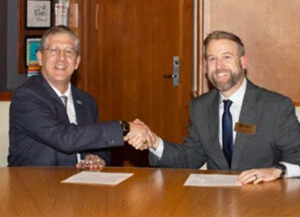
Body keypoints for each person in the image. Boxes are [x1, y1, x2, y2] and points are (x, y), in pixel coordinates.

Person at [127, 30, 300, 184]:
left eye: (226, 57)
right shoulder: (199, 107)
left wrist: (278, 171)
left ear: (243, 62)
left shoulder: (276, 106)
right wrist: (155, 142)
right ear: (205, 66)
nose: (219, 67)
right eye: (212, 59)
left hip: (266, 200)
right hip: (215, 201)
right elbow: (190, 159)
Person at [8, 25, 154, 168]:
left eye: (69, 52)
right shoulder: (27, 96)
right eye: (54, 51)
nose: (61, 58)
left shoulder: (87, 101)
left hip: (78, 186)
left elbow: (98, 144)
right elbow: (64, 139)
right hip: (32, 187)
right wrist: (124, 128)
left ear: (77, 62)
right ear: (40, 58)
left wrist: (98, 159)